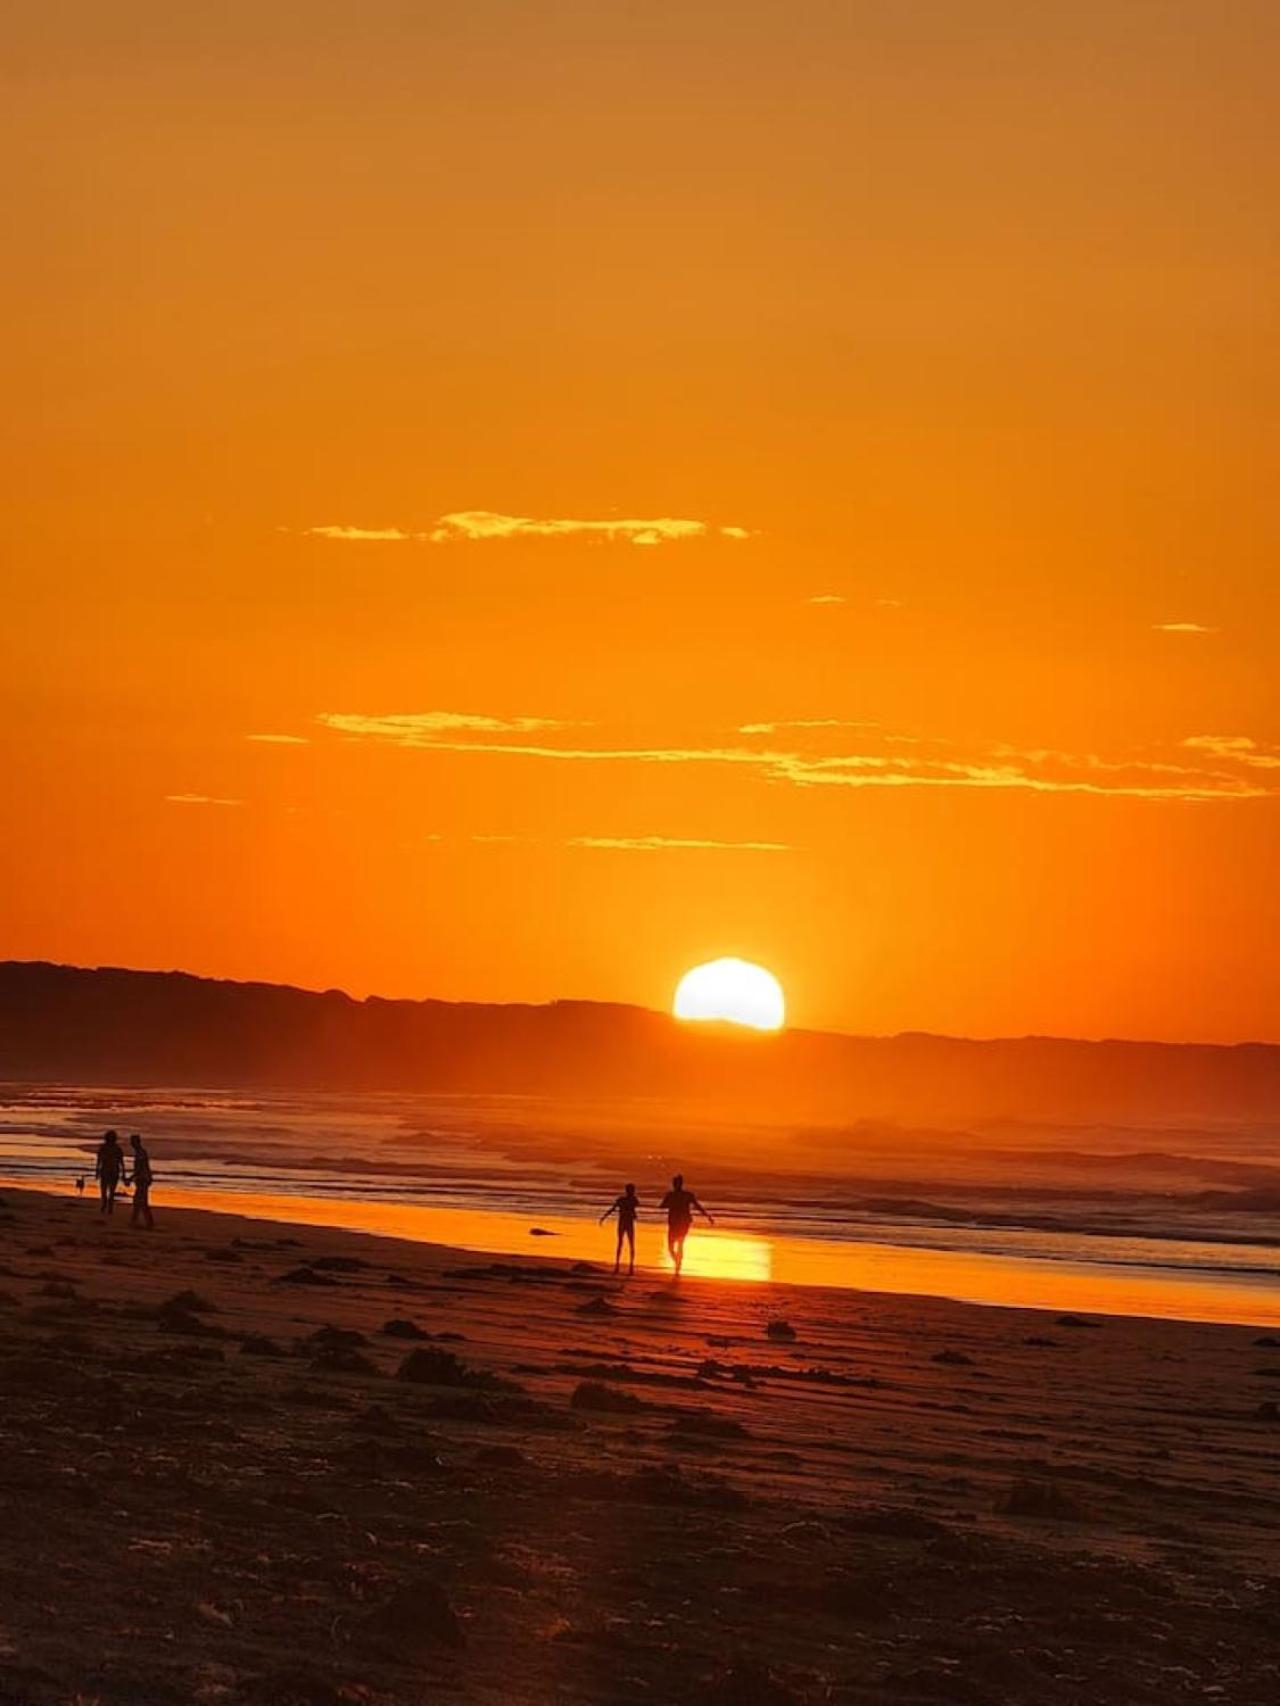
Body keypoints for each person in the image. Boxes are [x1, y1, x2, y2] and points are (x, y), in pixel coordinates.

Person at [659, 1173, 714, 1275]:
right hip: (679, 1222)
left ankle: (677, 1265)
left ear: (678, 1184)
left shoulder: (680, 1195)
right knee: (674, 1246)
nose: (675, 1185)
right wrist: (707, 1216)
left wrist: (707, 1216)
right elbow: (662, 1206)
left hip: (681, 1222)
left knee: (677, 1245)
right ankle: (677, 1263)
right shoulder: (679, 1195)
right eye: (674, 1183)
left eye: (676, 1183)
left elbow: (697, 1206)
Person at [599, 1183, 640, 1276]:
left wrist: (604, 1217)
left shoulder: (623, 1200)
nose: (633, 1192)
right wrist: (604, 1217)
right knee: (627, 1244)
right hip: (627, 1224)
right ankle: (626, 1267)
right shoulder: (631, 1200)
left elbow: (613, 1209)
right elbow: (615, 1209)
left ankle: (625, 1267)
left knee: (624, 1244)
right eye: (632, 1190)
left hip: (624, 1223)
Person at [126, 1133, 155, 1230]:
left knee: (140, 1201)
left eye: (132, 1142)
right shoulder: (141, 1152)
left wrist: (130, 1178)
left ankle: (147, 1222)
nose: (131, 1144)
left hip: (143, 1179)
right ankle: (140, 1220)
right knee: (140, 1201)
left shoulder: (140, 1153)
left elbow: (140, 1168)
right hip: (143, 1179)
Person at [94, 1131, 126, 1217]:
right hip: (112, 1171)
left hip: (107, 1171)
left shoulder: (104, 1148)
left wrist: (96, 1171)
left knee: (105, 1190)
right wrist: (124, 1173)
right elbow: (121, 1162)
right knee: (110, 1191)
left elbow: (99, 1161)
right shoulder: (116, 1148)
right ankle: (108, 1207)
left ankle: (105, 1205)